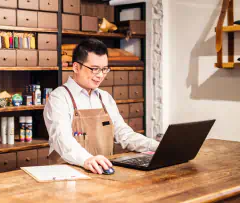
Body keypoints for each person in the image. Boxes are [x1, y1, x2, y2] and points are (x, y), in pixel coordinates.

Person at [43, 38, 159, 174]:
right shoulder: (59, 98)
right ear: (76, 67)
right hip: (68, 175)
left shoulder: (105, 98)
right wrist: (87, 159)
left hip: (101, 172)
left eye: (104, 69)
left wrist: (156, 146)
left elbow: (124, 134)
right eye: (94, 69)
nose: (100, 75)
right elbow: (62, 139)